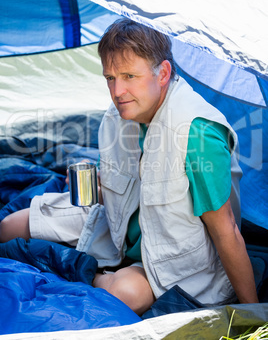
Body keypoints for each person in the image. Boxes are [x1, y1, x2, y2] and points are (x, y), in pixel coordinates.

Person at [0, 19, 258, 315]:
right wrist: (93, 180)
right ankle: (95, 270)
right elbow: (116, 185)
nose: (118, 91)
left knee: (125, 293)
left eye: (129, 76)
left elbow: (226, 231)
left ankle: (89, 273)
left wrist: (253, 313)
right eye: (110, 77)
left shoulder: (197, 135)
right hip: (115, 227)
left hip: (175, 258)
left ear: (163, 73)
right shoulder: (118, 115)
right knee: (9, 228)